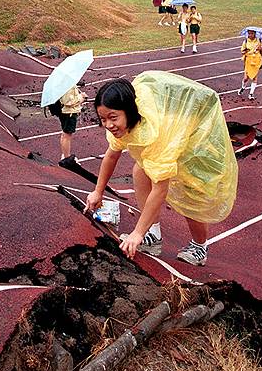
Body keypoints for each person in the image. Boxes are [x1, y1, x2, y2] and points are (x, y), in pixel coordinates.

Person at [86, 72, 238, 265]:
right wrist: (97, 191)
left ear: (129, 111)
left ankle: (200, 247)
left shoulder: (155, 137)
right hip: (171, 127)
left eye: (113, 117)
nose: (108, 125)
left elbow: (160, 189)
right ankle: (153, 235)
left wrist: (136, 233)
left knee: (190, 196)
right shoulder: (124, 122)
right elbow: (112, 154)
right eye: (103, 118)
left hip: (196, 140)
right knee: (140, 171)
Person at [57, 84, 85, 162]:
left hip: (67, 112)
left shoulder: (68, 83)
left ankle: (65, 154)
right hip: (69, 113)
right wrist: (81, 97)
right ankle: (67, 158)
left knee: (65, 134)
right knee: (67, 135)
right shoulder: (67, 85)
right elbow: (67, 101)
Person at [238, 29, 262, 100]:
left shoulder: (259, 40)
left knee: (254, 78)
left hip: (256, 61)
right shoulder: (246, 41)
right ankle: (243, 88)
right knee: (246, 78)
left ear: (255, 34)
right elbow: (242, 51)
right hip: (248, 61)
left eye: (252, 33)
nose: (250, 35)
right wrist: (247, 51)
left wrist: (260, 48)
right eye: (249, 33)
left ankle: (251, 94)